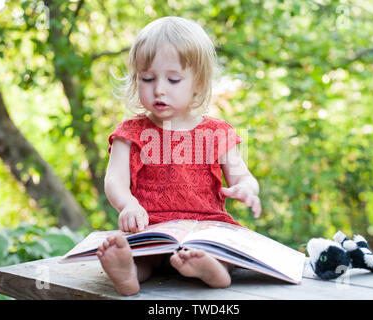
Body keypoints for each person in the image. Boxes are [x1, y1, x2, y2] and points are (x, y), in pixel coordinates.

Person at [97, 16, 262, 296]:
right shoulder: (130, 133)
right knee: (140, 255)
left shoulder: (218, 132)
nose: (159, 88)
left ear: (198, 83)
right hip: (151, 226)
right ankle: (128, 274)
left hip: (207, 226)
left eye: (173, 79)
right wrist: (128, 205)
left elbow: (243, 176)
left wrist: (247, 189)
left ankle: (214, 270)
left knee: (227, 245)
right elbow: (114, 181)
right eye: (147, 78)